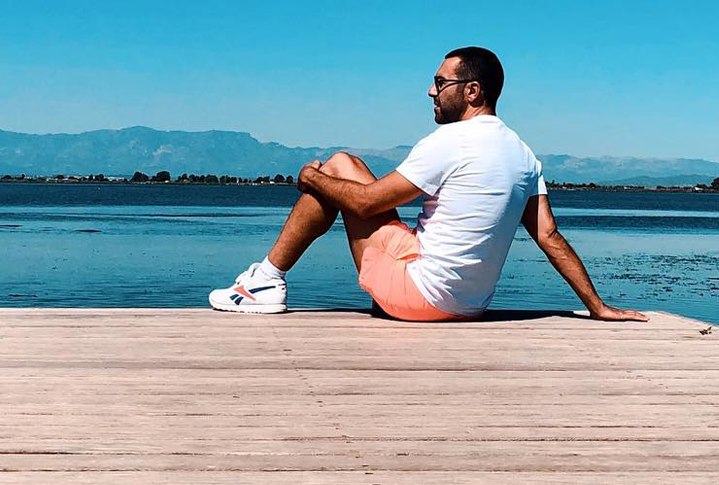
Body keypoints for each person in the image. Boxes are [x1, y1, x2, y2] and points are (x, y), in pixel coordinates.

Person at [209, 46, 647, 323]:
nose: (431, 92)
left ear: (472, 91)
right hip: (470, 305)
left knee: (336, 168)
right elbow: (549, 236)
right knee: (349, 166)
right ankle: (268, 279)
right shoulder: (524, 154)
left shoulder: (450, 142)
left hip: (417, 299)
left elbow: (365, 204)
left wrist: (310, 178)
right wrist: (596, 305)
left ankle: (265, 280)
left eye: (440, 83)